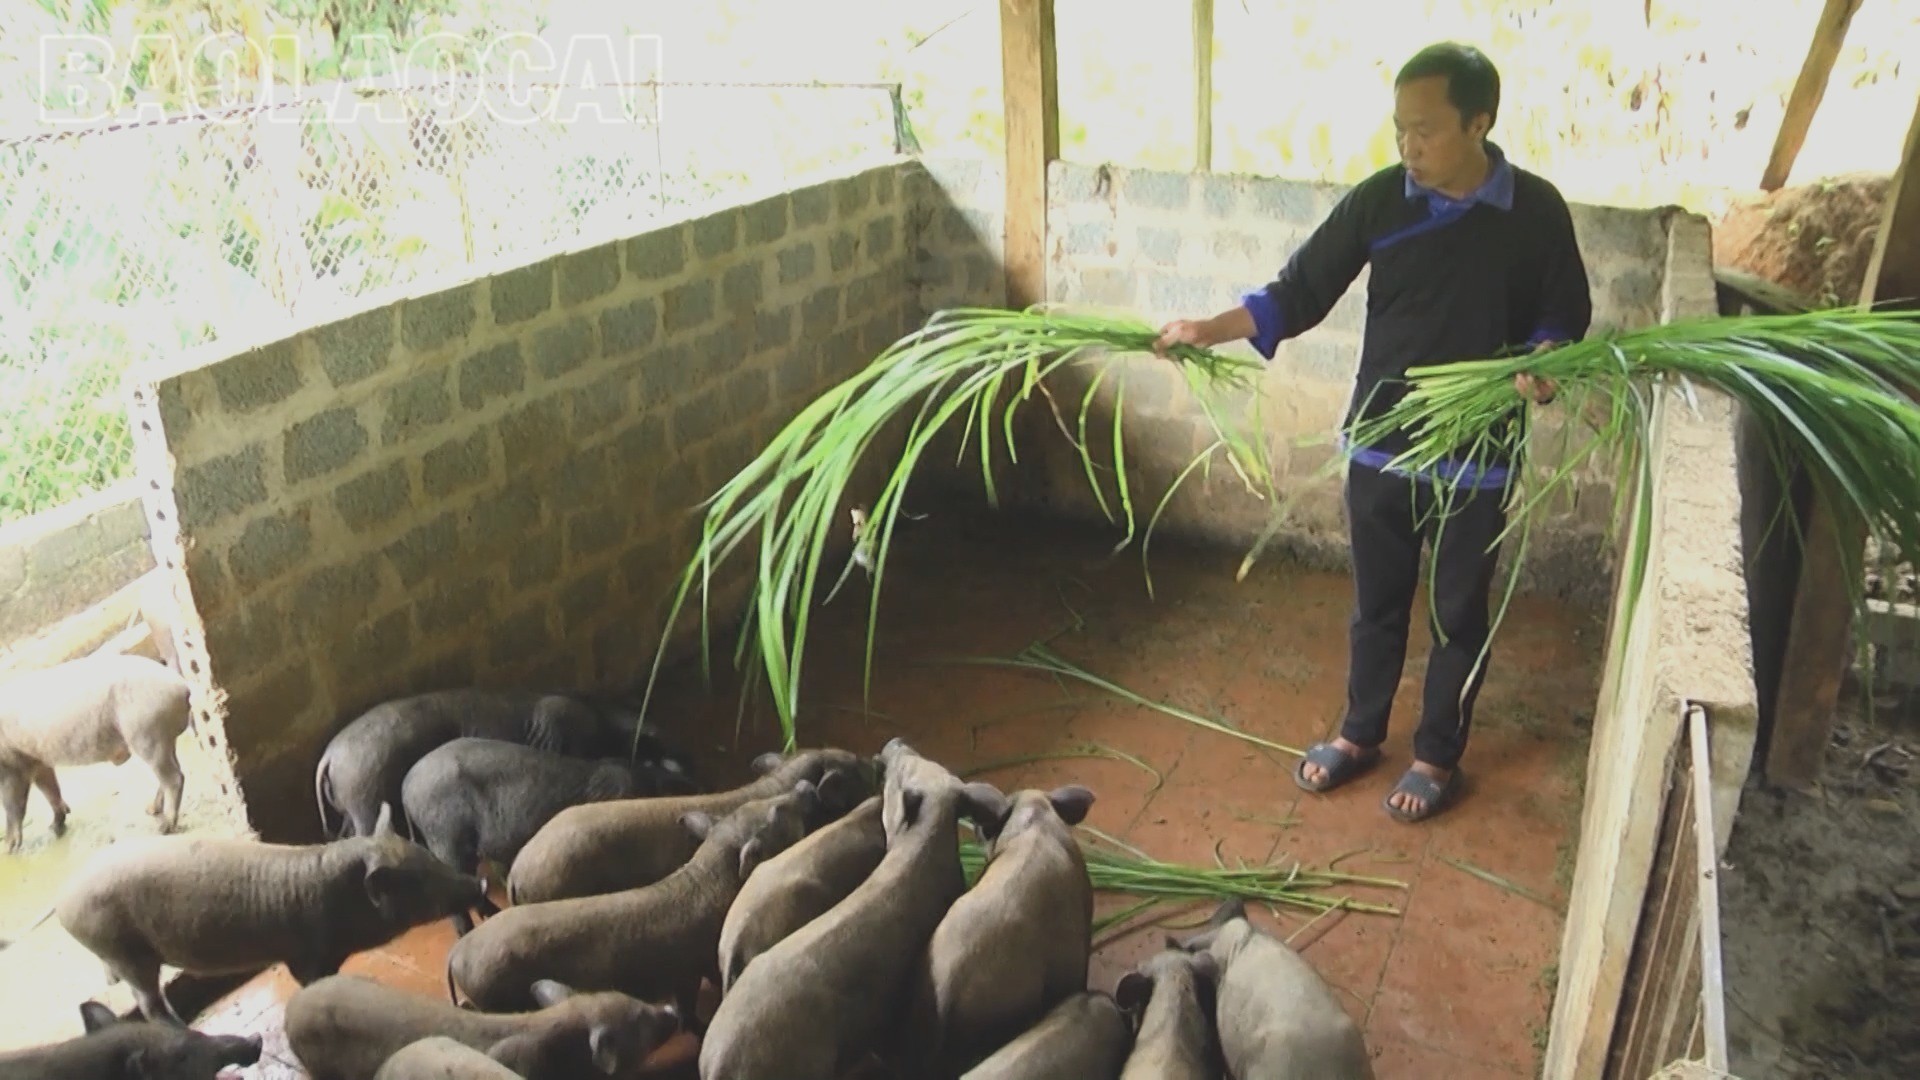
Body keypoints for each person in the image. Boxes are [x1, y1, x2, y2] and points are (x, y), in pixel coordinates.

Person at [1154, 42, 1593, 823]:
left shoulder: (1537, 213)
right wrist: (1207, 325)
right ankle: (1360, 734)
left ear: (1480, 123)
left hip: (1477, 456)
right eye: (1399, 131)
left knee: (1459, 611)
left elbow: (1562, 319)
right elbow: (1301, 290)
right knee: (1376, 605)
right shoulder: (1380, 202)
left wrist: (1548, 361)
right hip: (1383, 443)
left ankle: (1436, 754)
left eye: (1424, 131)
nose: (1408, 148)